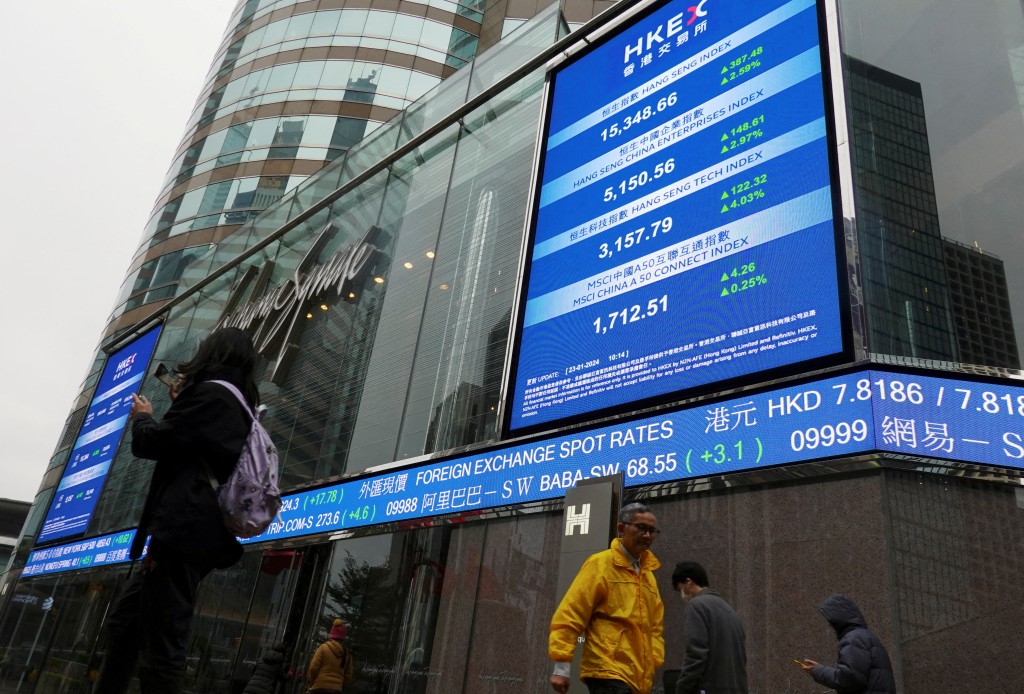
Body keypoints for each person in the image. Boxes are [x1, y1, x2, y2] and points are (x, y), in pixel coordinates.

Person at [93, 327, 260, 694]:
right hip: (198, 529)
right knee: (125, 625)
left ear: (213, 353)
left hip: (183, 528)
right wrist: (179, 404)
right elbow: (190, 445)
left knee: (163, 644)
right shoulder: (237, 402)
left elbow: (153, 443)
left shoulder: (211, 395)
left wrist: (143, 416)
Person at [548, 502, 665, 694]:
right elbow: (571, 613)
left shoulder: (648, 576)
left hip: (639, 678)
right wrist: (561, 668)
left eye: (652, 531)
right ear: (621, 528)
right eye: (642, 528)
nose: (647, 535)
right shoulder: (600, 564)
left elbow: (655, 627)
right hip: (607, 671)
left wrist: (653, 659)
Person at [671, 561, 747, 694]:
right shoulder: (729, 610)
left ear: (688, 583)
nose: (681, 595)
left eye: (679, 589)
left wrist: (682, 688)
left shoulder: (696, 606)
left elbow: (696, 655)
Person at [798, 593, 896, 693]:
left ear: (840, 618)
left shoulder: (854, 639)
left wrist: (818, 670)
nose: (830, 626)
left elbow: (849, 679)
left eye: (832, 621)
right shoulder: (866, 637)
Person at [307, 619, 354, 693]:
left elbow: (313, 668)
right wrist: (339, 685)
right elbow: (348, 676)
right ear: (343, 637)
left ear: (332, 635)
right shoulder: (347, 654)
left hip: (319, 687)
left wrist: (312, 682)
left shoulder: (323, 648)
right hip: (336, 690)